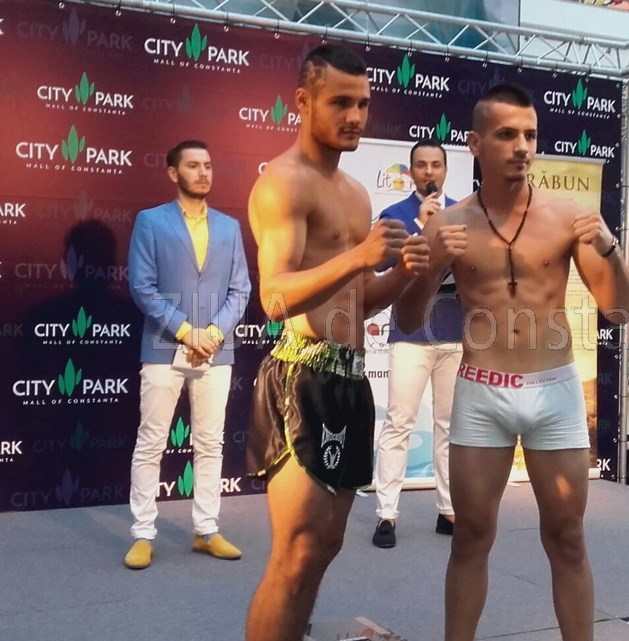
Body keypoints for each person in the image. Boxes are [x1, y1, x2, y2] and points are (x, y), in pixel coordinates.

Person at [396, 83, 629, 641]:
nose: (522, 146)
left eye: (530, 134)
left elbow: (619, 311)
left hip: (554, 391)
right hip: (481, 390)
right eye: (506, 134)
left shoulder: (569, 217)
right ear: (475, 143)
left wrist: (612, 249)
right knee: (471, 537)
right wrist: (432, 265)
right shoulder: (448, 223)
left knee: (567, 538)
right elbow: (407, 319)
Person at [242, 45, 429, 641]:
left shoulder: (354, 192)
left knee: (324, 547)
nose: (355, 116)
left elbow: (360, 303)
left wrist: (406, 272)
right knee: (295, 552)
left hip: (350, 379)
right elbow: (274, 298)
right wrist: (360, 256)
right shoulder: (283, 183)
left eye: (364, 103)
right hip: (301, 378)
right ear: (303, 101)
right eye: (341, 102)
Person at [124, 140, 251, 570]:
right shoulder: (150, 221)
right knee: (152, 442)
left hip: (216, 349)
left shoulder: (229, 227)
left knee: (211, 443)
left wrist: (211, 334)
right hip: (164, 346)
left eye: (208, 165)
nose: (203, 173)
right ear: (173, 173)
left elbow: (241, 289)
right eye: (193, 165)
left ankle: (206, 530)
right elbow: (142, 286)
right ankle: (143, 533)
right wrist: (185, 331)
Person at [372, 139, 463, 548]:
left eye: (436, 165)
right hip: (410, 336)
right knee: (399, 423)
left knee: (449, 426)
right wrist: (421, 229)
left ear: (445, 170)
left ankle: (449, 510)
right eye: (421, 165)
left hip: (454, 334)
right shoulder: (394, 216)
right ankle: (387, 515)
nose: (429, 172)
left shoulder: (462, 214)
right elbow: (379, 265)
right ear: (410, 173)